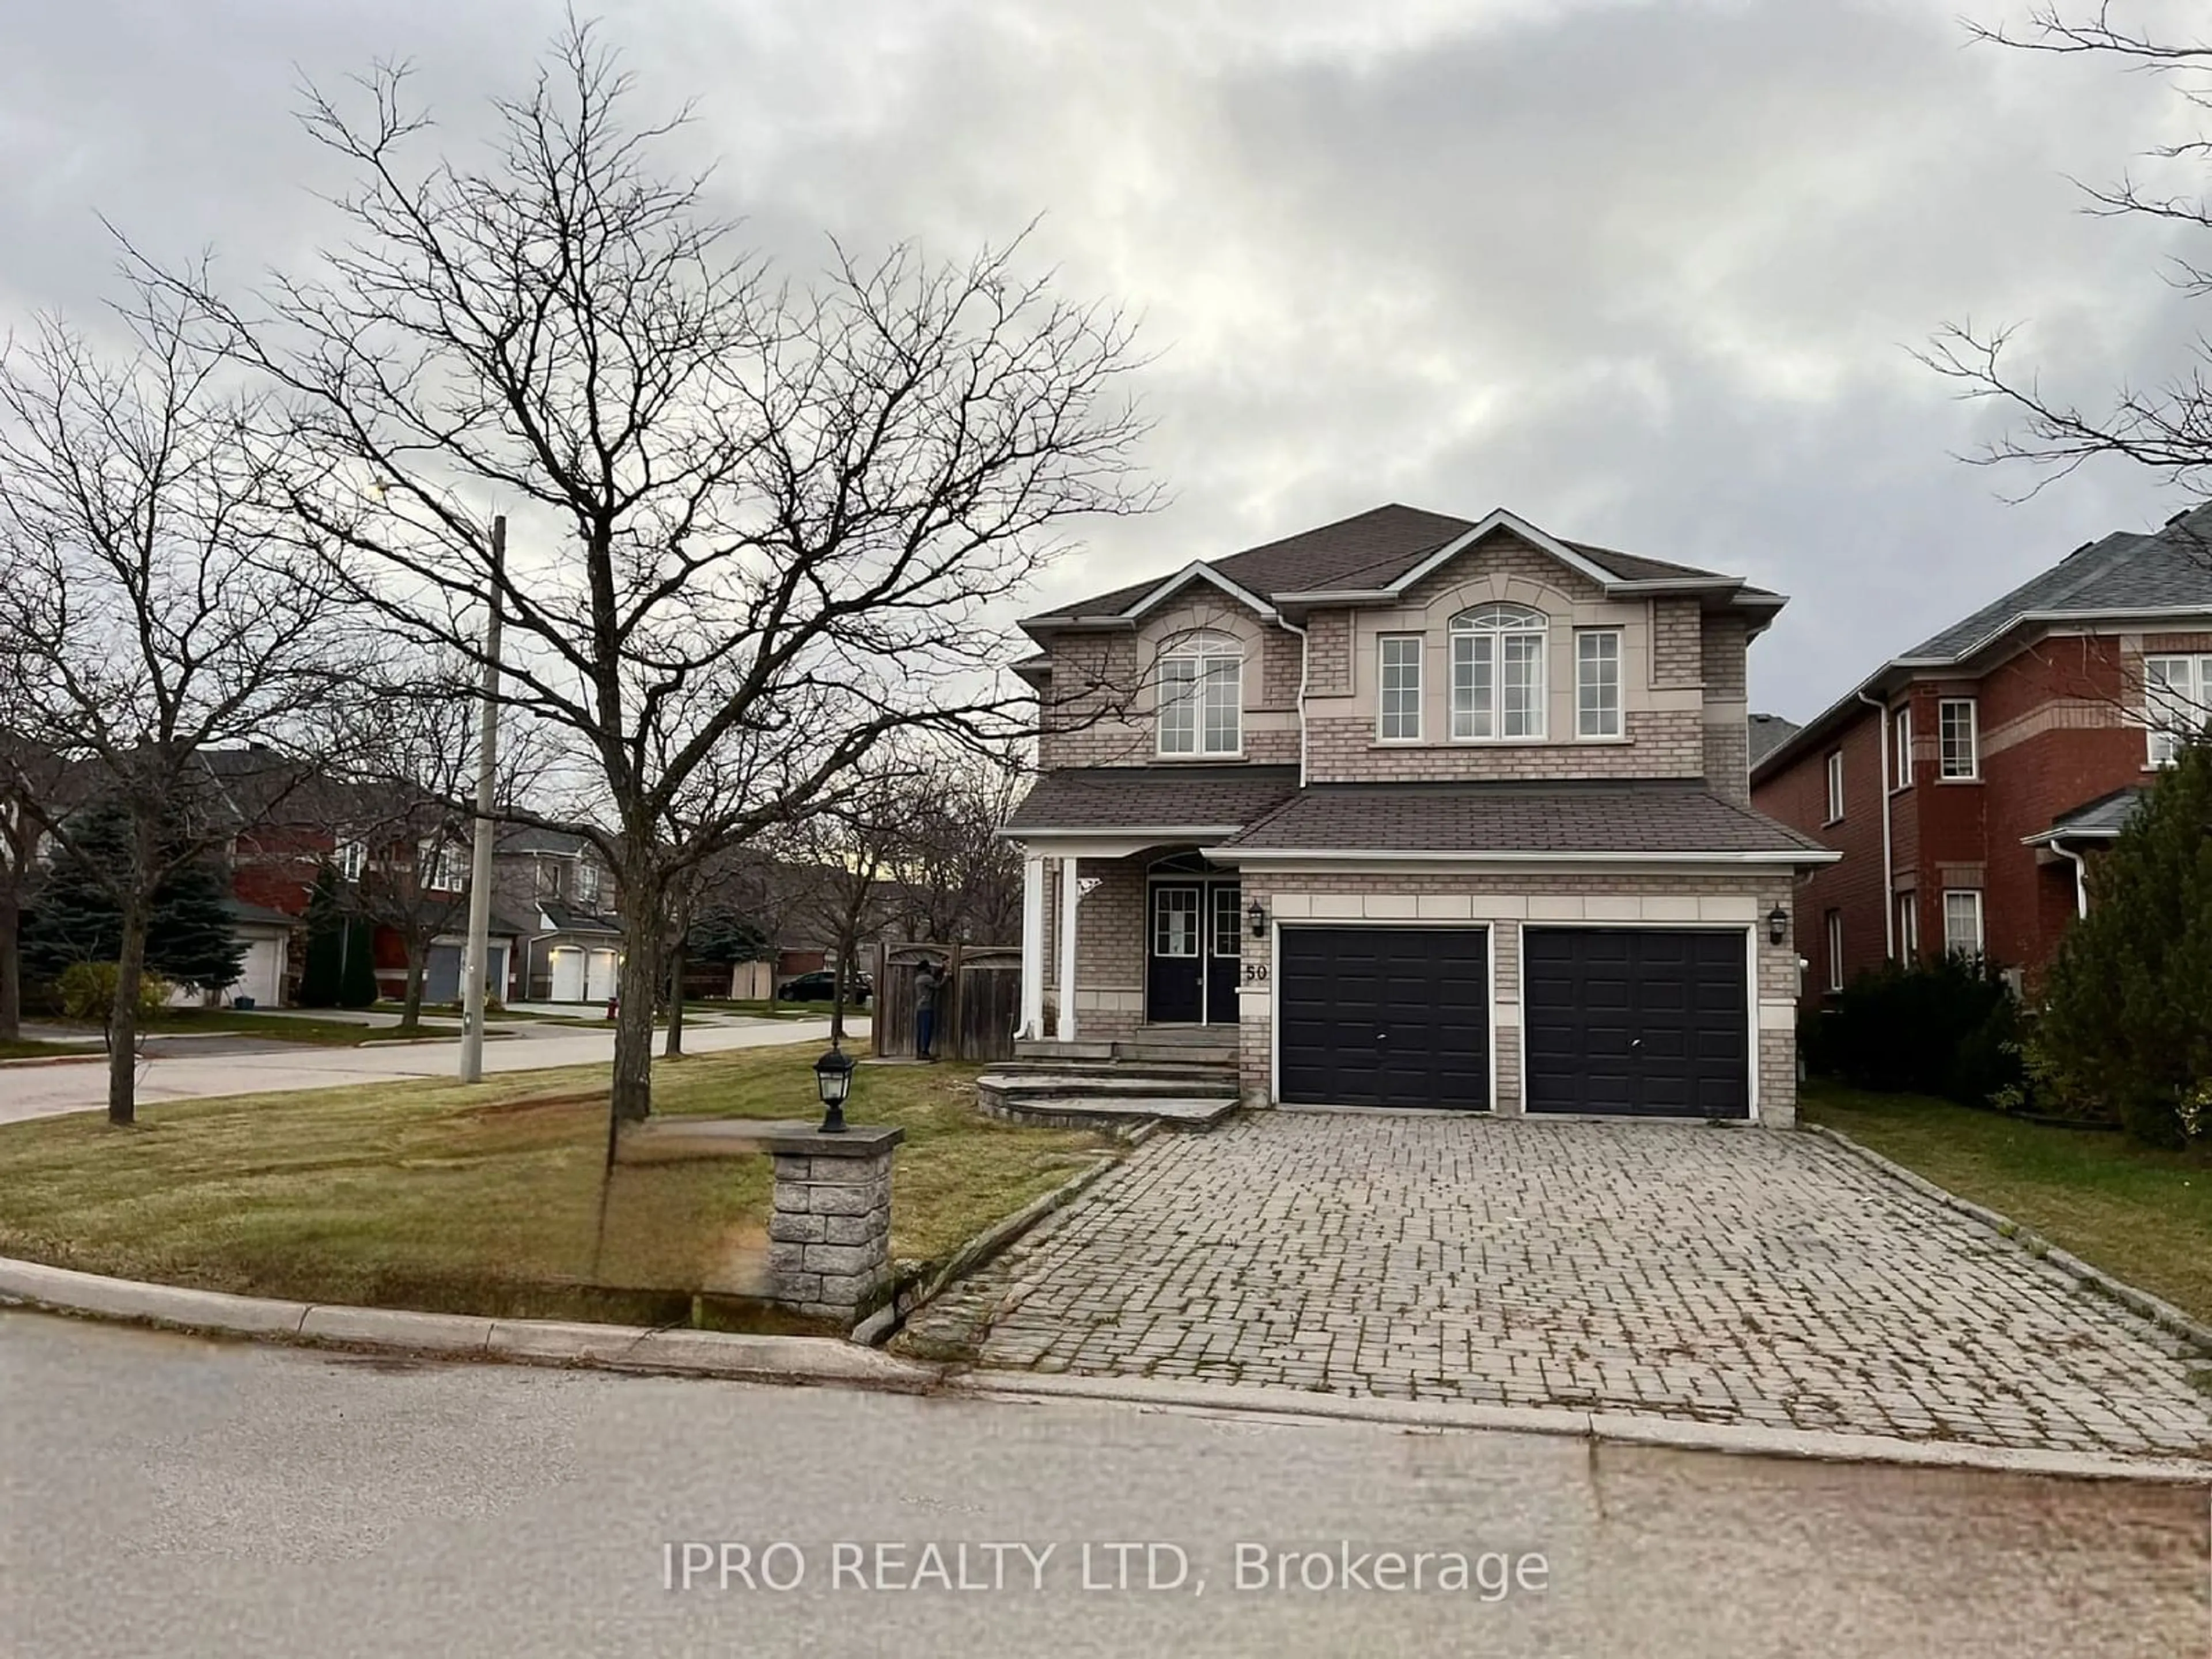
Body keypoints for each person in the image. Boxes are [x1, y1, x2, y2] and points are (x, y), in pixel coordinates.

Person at [914, 959, 943, 1061]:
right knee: (927, 1030)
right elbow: (938, 986)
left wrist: (941, 970)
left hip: (919, 1007)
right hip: (927, 1006)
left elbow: (932, 979)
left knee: (921, 1030)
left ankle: (919, 1052)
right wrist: (947, 977)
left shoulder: (919, 978)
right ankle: (924, 1052)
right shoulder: (927, 978)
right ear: (926, 968)